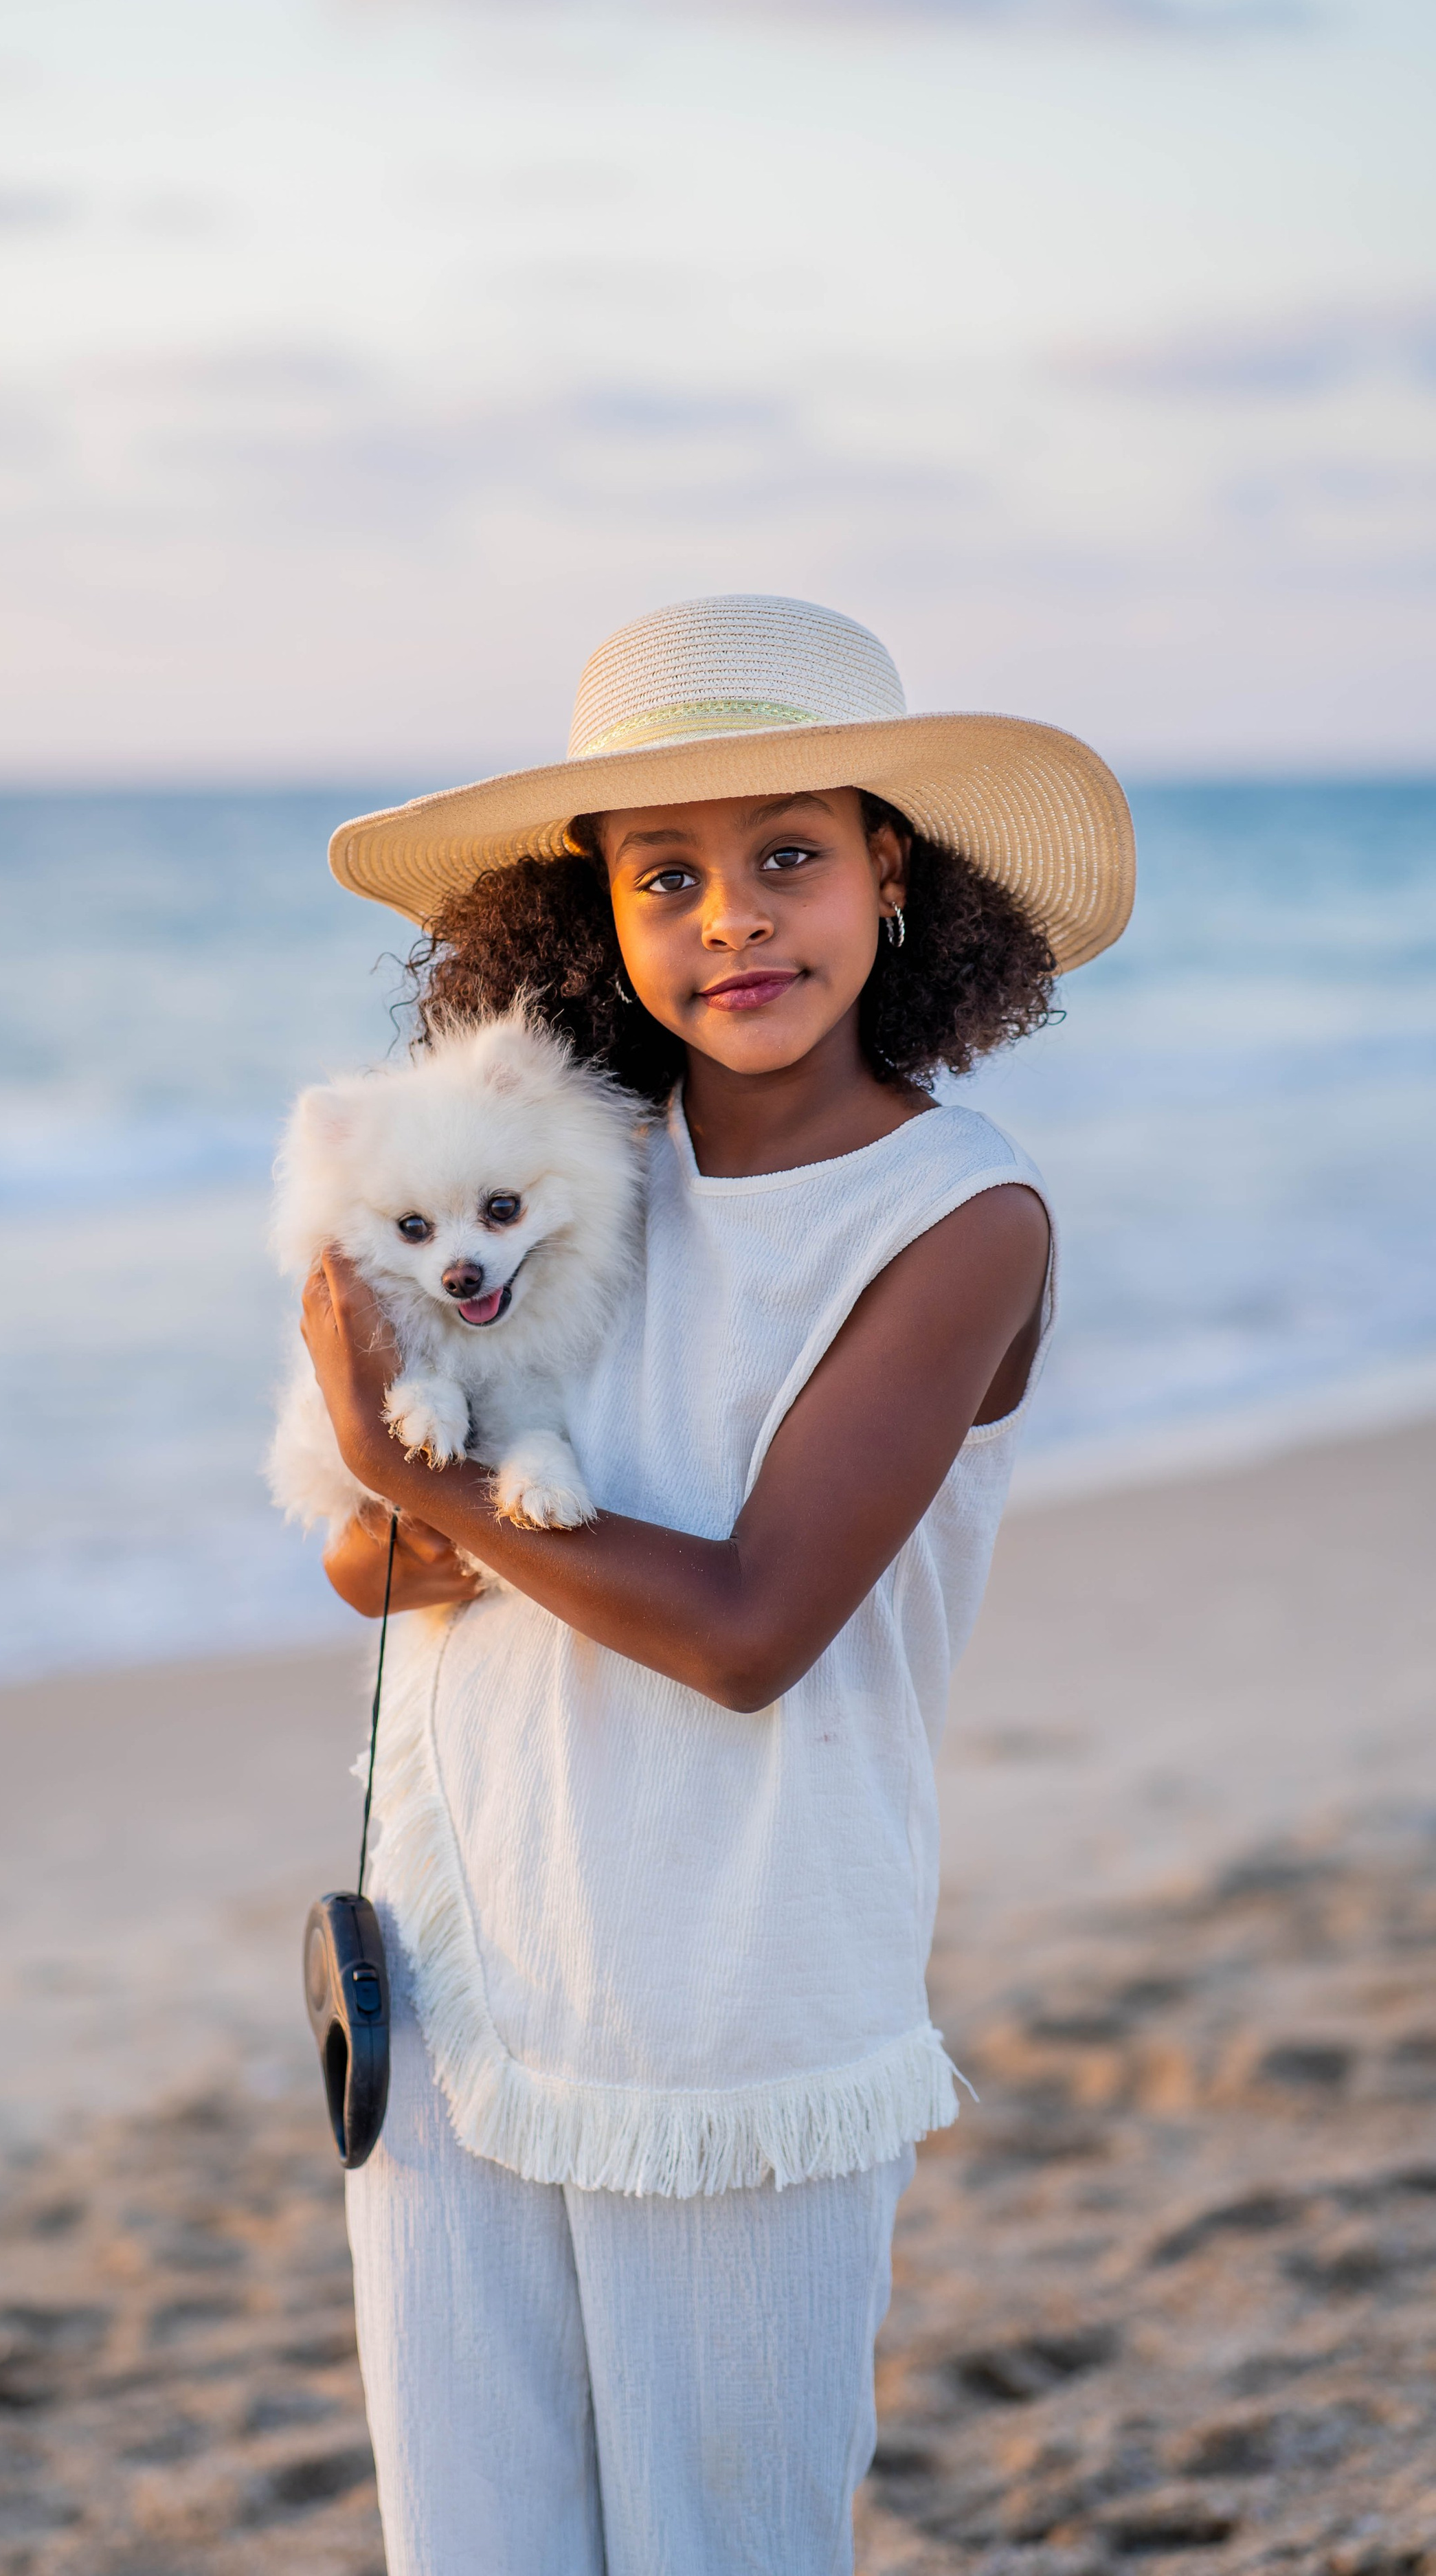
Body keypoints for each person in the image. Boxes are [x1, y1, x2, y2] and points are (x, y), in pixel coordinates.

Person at [298, 594, 1134, 2574]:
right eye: (671, 873)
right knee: (472, 2546)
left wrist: (394, 1454)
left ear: (891, 877)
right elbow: (373, 1572)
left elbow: (755, 1632)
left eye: (790, 857)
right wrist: (397, 1458)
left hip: (738, 2002)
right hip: (468, 1960)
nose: (736, 915)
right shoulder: (549, 1181)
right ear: (601, 913)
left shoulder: (959, 1220)